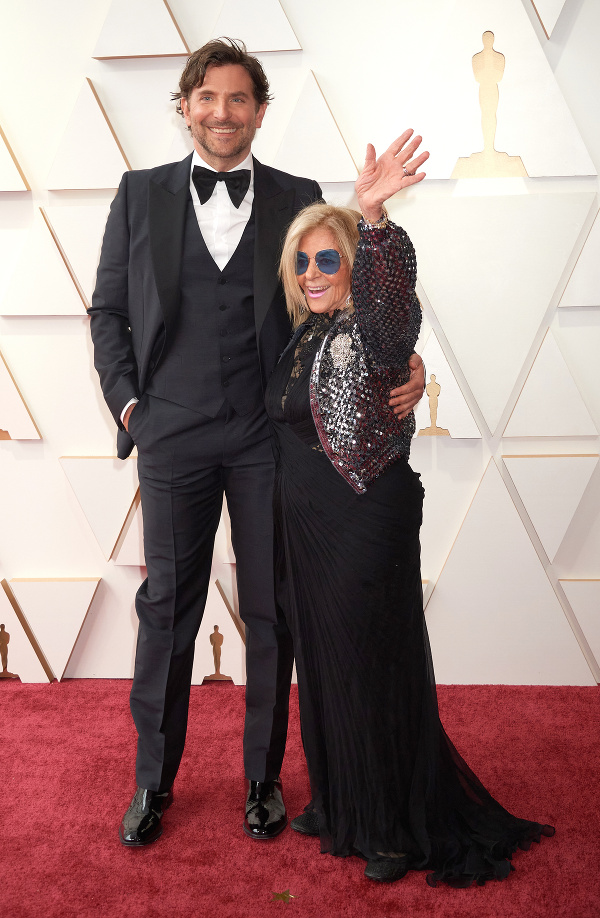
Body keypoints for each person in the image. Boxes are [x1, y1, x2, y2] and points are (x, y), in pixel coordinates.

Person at [88, 39, 426, 847]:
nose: (222, 112)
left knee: (274, 612)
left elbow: (345, 300)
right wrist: (131, 407)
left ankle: (262, 780)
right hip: (170, 433)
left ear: (260, 111)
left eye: (239, 99)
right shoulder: (138, 196)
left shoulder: (298, 194)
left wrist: (406, 363)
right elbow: (108, 312)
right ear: (185, 108)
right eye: (206, 97)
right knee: (168, 607)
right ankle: (151, 783)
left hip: (272, 440)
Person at [266, 130, 554, 885]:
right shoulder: (304, 336)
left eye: (330, 257)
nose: (315, 270)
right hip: (306, 526)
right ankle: (340, 798)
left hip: (365, 519)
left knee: (373, 665)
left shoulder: (377, 324)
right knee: (326, 665)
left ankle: (391, 823)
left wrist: (376, 219)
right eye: (304, 260)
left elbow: (397, 306)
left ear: (354, 266)